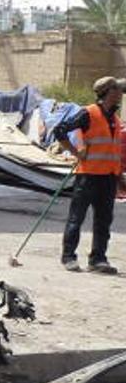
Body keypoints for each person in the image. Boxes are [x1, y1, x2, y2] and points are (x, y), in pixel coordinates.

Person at [53, 76, 126, 274]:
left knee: (104, 220)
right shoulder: (88, 113)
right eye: (118, 90)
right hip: (88, 176)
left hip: (108, 177)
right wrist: (76, 152)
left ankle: (98, 259)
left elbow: (113, 150)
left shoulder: (115, 118)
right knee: (77, 218)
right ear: (108, 92)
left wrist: (119, 177)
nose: (121, 93)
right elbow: (59, 130)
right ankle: (69, 257)